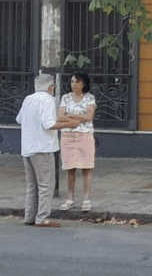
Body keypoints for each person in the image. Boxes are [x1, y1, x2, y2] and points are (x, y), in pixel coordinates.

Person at [16, 74, 79, 227]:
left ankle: (29, 217)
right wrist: (68, 125)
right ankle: (42, 218)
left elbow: (19, 119)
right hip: (43, 148)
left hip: (27, 147)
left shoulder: (28, 99)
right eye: (53, 87)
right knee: (46, 185)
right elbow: (48, 124)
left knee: (32, 186)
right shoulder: (48, 100)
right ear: (50, 87)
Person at [58, 72, 97, 213]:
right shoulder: (66, 98)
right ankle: (70, 198)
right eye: (72, 81)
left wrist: (70, 115)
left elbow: (89, 116)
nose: (74, 85)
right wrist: (79, 117)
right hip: (68, 135)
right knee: (70, 168)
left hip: (85, 135)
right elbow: (60, 117)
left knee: (86, 167)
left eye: (77, 82)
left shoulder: (89, 98)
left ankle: (86, 199)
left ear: (84, 84)